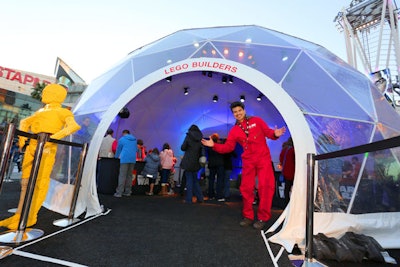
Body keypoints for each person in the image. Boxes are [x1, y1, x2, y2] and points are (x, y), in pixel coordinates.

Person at [0, 84, 81, 230]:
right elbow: (25, 122)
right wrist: (23, 139)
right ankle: (19, 214)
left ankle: (30, 217)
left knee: (40, 182)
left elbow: (73, 126)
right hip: (32, 144)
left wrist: (52, 139)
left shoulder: (63, 112)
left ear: (56, 94)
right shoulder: (41, 110)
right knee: (25, 182)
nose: (43, 93)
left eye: (47, 91)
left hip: (47, 148)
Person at [201, 101, 286, 230]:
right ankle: (248, 216)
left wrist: (275, 134)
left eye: (239, 110)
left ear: (244, 110)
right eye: (235, 112)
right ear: (233, 114)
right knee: (246, 188)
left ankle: (263, 217)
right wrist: (214, 146)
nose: (238, 113)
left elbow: (269, 132)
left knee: (265, 187)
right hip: (248, 161)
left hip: (263, 159)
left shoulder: (257, 121)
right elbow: (228, 147)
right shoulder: (234, 130)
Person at [180, 124, 205, 204]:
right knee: (195, 181)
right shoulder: (200, 138)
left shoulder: (188, 136)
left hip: (188, 161)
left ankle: (189, 199)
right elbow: (202, 150)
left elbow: (183, 147)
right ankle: (200, 198)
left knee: (189, 180)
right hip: (196, 162)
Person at [114, 129, 137, 197]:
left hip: (124, 159)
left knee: (122, 175)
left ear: (123, 133)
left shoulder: (122, 139)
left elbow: (118, 149)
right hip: (132, 159)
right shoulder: (134, 139)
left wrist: (116, 156)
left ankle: (119, 192)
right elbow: (136, 149)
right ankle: (128, 191)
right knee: (129, 176)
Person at [206, 133, 225, 201]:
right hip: (220, 164)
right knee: (219, 180)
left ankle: (211, 195)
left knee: (211, 180)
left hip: (211, 164)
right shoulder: (220, 145)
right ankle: (219, 196)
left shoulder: (209, 146)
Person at [279, 137, 295, 206]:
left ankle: (286, 205)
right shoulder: (293, 150)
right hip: (293, 171)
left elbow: (281, 159)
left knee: (286, 189)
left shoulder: (284, 149)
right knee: (294, 189)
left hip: (286, 172)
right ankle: (293, 205)